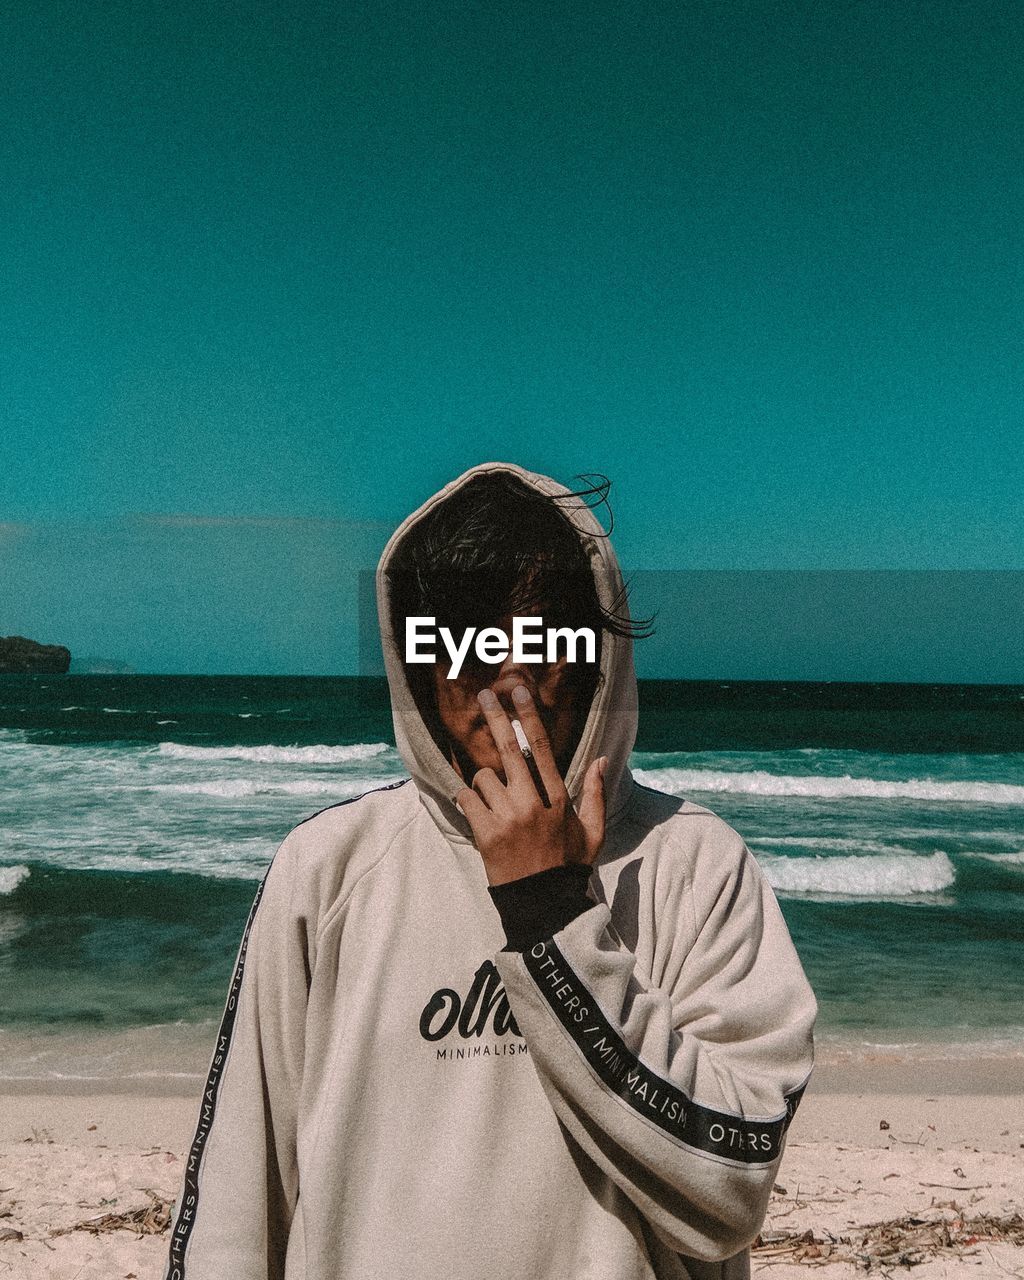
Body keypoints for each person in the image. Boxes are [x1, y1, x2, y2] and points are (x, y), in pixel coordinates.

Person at [164, 461, 817, 1280]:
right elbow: (237, 1198)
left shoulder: (692, 862)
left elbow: (731, 1186)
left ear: (594, 659)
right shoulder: (328, 869)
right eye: (468, 651)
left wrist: (550, 912)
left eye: (539, 644)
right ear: (419, 668)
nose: (508, 689)